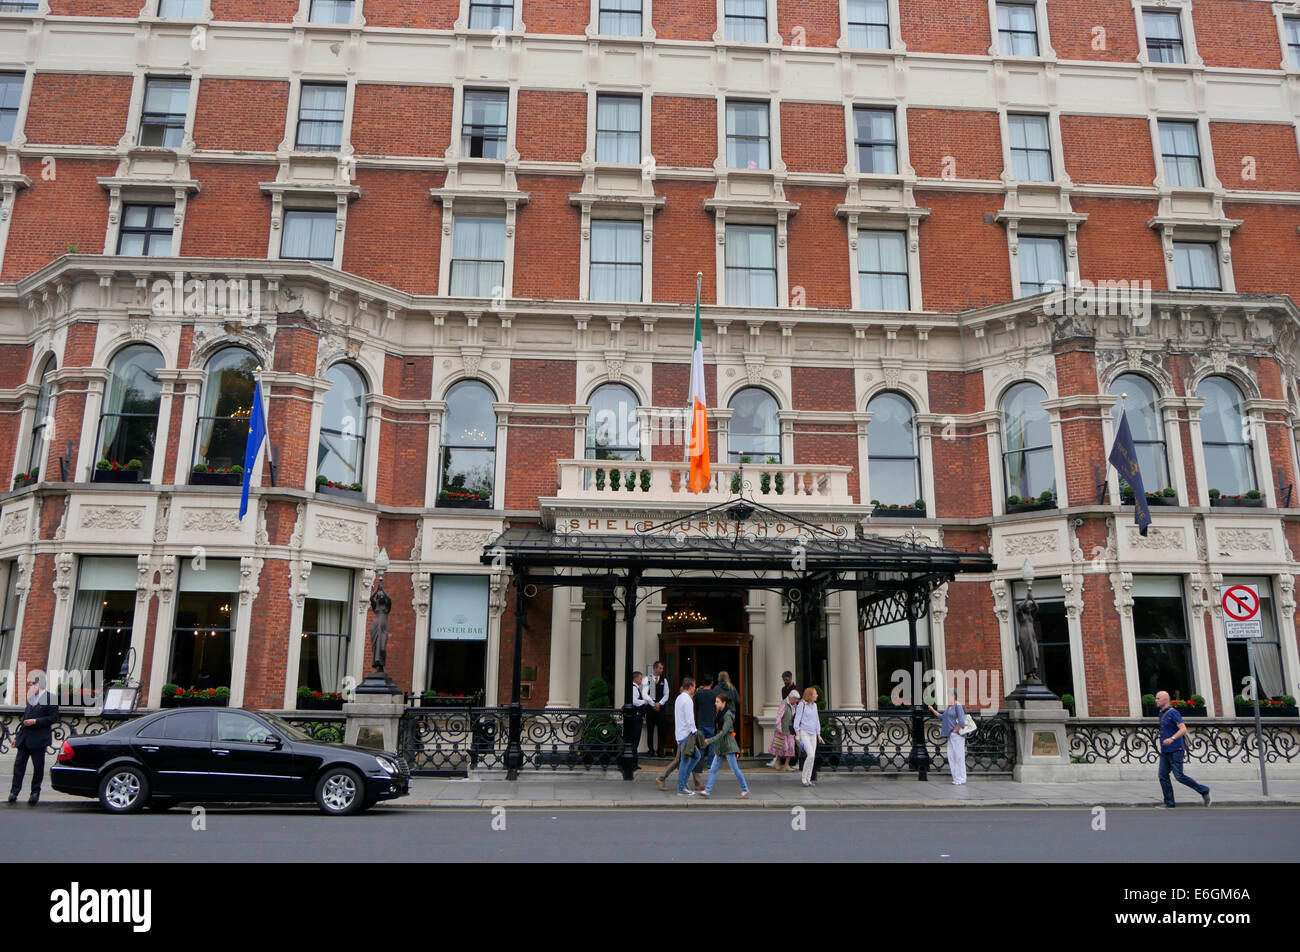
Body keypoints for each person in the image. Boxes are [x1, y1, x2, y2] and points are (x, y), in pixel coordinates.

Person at [1155, 690, 1210, 808]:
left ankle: (1204, 790)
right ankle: (1169, 802)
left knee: (1179, 776)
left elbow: (1183, 729)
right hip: (1165, 750)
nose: (1156, 700)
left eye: (1158, 698)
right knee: (1162, 776)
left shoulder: (1174, 713)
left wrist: (1172, 738)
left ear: (1165, 700)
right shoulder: (1161, 713)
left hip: (1176, 749)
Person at [9, 673, 58, 806]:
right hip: (24, 739)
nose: (29, 686)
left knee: (38, 767)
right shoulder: (31, 698)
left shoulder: (51, 698)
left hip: (39, 739)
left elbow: (53, 718)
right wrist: (17, 738)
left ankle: (35, 793)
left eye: (31, 684)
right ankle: (14, 791)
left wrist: (36, 721)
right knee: (18, 766)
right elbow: (24, 719)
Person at [700, 693, 749, 799]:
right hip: (721, 745)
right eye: (715, 701)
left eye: (717, 702)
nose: (715, 703)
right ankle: (707, 791)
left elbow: (723, 732)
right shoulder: (720, 713)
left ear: (724, 703)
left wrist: (710, 740)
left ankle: (745, 789)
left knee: (735, 769)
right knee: (713, 769)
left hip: (728, 745)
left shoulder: (728, 715)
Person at [928, 693, 968, 785]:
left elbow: (962, 721)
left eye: (949, 696)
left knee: (959, 756)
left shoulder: (958, 706)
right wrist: (932, 709)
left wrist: (954, 731)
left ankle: (961, 778)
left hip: (957, 735)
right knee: (951, 756)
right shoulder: (950, 707)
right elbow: (942, 717)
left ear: (954, 696)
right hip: (951, 736)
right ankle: (956, 777)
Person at [672, 678, 701, 796]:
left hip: (680, 733)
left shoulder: (679, 698)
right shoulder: (688, 700)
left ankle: (683, 782)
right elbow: (690, 719)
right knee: (686, 760)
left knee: (695, 757)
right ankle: (681, 787)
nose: (695, 688)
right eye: (694, 686)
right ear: (690, 687)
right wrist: (695, 732)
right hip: (687, 734)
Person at [793, 687, 821, 787]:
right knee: (811, 755)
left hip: (813, 734)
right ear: (810, 695)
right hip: (804, 732)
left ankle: (809, 779)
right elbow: (797, 720)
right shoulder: (802, 705)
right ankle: (804, 777)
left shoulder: (815, 706)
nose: (817, 695)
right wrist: (797, 734)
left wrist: (819, 734)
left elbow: (817, 720)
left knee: (812, 757)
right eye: (815, 694)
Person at [767, 689, 800, 769]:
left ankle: (786, 765)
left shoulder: (794, 706)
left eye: (797, 699)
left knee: (791, 747)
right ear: (791, 697)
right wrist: (779, 728)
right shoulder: (784, 704)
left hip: (790, 730)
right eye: (795, 699)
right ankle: (777, 762)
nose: (796, 701)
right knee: (780, 746)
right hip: (783, 729)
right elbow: (779, 717)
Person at [644, 661, 669, 757]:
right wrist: (653, 704)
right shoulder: (648, 679)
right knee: (650, 730)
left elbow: (666, 694)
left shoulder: (664, 680)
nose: (661, 670)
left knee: (661, 730)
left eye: (662, 668)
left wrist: (660, 703)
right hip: (651, 709)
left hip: (661, 709)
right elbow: (646, 693)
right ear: (655, 668)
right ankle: (651, 750)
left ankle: (660, 750)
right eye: (660, 668)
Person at [629, 671, 648, 755]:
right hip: (636, 717)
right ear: (636, 678)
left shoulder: (635, 688)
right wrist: (644, 702)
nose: (641, 680)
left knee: (635, 739)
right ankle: (633, 761)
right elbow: (634, 701)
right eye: (640, 678)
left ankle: (634, 760)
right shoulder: (633, 688)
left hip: (637, 717)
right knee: (635, 738)